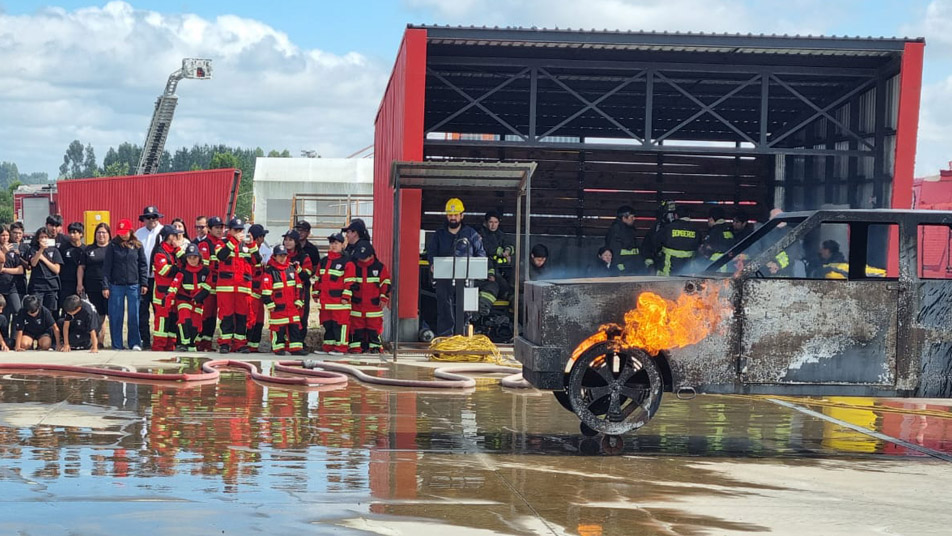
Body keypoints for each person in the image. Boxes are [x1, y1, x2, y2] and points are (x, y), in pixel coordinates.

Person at [425, 198, 486, 337]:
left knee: (466, 307)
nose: (453, 218)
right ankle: (446, 336)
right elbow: (431, 253)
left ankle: (463, 335)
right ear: (447, 216)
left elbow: (481, 254)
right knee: (444, 306)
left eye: (455, 215)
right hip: (444, 277)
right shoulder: (439, 235)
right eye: (450, 215)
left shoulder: (471, 234)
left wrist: (476, 266)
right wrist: (432, 264)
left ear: (461, 216)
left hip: (466, 279)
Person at [103, 218, 148, 351]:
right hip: (116, 285)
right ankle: (117, 344)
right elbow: (107, 267)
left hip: (134, 285)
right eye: (120, 232)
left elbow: (143, 265)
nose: (122, 235)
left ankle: (134, 342)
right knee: (116, 315)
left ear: (130, 230)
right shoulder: (112, 246)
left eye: (125, 232)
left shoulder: (137, 245)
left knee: (134, 315)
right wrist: (105, 286)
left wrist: (144, 283)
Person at [215, 218, 256, 353]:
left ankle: (240, 343)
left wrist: (253, 245)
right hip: (226, 287)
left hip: (242, 287)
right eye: (236, 230)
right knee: (226, 316)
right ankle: (225, 343)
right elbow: (221, 256)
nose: (239, 233)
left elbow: (256, 261)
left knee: (242, 316)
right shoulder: (222, 243)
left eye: (240, 230)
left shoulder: (245, 245)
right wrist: (234, 241)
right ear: (230, 231)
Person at [314, 233, 355, 354]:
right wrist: (316, 294)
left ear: (343, 245)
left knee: (340, 325)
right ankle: (328, 347)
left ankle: (341, 347)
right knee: (328, 325)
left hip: (340, 303)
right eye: (331, 243)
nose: (333, 245)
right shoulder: (324, 261)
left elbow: (350, 281)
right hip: (326, 302)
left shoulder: (347, 262)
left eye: (336, 243)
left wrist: (346, 297)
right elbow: (318, 278)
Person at [261, 244, 305, 356]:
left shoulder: (291, 269)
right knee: (278, 329)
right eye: (280, 255)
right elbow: (266, 290)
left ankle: (296, 348)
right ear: (274, 256)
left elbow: (298, 286)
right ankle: (278, 348)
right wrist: (270, 304)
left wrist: (299, 300)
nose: (282, 258)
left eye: (284, 255)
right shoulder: (270, 271)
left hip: (292, 306)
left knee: (294, 328)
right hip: (278, 307)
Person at [166, 243, 211, 352]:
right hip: (184, 300)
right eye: (190, 257)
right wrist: (169, 297)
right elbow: (174, 285)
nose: (192, 260)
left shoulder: (205, 271)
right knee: (184, 320)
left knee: (196, 325)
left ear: (199, 257)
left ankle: (191, 344)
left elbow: (208, 286)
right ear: (186, 259)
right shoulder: (182, 272)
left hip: (198, 302)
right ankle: (184, 344)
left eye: (194, 257)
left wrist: (199, 297)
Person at [349, 242, 390, 354]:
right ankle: (355, 347)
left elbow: (386, 283)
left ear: (371, 255)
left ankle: (375, 347)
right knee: (356, 328)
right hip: (357, 305)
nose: (361, 260)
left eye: (364, 257)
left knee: (374, 329)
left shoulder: (380, 267)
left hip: (374, 306)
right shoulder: (354, 266)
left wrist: (383, 298)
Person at [151, 225, 185, 351]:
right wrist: (179, 268)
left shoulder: (173, 251)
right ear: (169, 237)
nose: (177, 237)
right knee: (162, 323)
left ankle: (170, 346)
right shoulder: (160, 253)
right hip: (162, 294)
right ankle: (158, 347)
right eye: (175, 235)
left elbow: (186, 262)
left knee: (172, 321)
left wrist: (179, 250)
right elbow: (166, 271)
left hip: (173, 293)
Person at [135, 205, 163, 349]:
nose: (151, 220)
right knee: (142, 311)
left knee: (160, 311)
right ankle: (145, 341)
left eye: (154, 217)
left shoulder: (164, 232)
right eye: (148, 217)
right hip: (143, 278)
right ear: (143, 219)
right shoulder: (138, 234)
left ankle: (160, 341)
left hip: (160, 278)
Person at [195, 216, 224, 351]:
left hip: (220, 287)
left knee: (213, 318)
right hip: (208, 287)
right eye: (217, 228)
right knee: (205, 316)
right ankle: (199, 343)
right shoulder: (205, 244)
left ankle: (207, 343)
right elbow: (205, 268)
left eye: (221, 228)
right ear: (210, 229)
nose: (220, 230)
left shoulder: (222, 244)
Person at [77, 222, 109, 336]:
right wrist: (80, 284)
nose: (101, 235)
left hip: (110, 287)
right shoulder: (88, 249)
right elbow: (81, 268)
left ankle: (108, 339)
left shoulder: (112, 249)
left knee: (109, 313)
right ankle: (98, 340)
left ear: (109, 234)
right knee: (98, 314)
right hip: (92, 286)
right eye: (99, 232)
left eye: (104, 232)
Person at [655, 204, 701, 276]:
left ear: (676, 215)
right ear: (688, 216)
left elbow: (656, 242)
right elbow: (700, 247)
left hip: (668, 271)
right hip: (688, 272)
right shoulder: (696, 230)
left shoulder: (668, 228)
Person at [283, 229, 313, 337]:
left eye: (290, 240)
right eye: (285, 239)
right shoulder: (278, 256)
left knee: (301, 317)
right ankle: (285, 342)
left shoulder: (304, 256)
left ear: (296, 242)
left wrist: (297, 269)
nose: (287, 242)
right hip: (284, 292)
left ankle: (299, 341)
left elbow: (307, 275)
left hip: (301, 292)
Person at [294, 220, 321, 337]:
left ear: (308, 233)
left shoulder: (312, 249)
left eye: (303, 230)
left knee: (303, 313)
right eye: (298, 230)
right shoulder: (290, 246)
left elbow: (316, 267)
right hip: (289, 285)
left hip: (304, 284)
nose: (300, 233)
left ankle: (301, 339)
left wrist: (305, 273)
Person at [28, 227, 63, 313]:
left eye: (46, 237)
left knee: (50, 311)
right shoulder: (33, 250)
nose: (43, 239)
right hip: (37, 286)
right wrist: (41, 250)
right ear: (38, 239)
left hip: (51, 286)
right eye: (41, 237)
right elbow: (33, 263)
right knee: (37, 310)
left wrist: (43, 259)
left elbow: (56, 269)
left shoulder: (54, 251)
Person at [247, 223, 270, 352]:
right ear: (259, 238)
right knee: (251, 319)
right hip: (251, 292)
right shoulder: (247, 250)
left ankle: (254, 346)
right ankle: (247, 345)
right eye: (262, 236)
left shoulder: (265, 251)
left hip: (259, 292)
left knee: (259, 320)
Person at [605, 205, 646, 275]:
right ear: (624, 218)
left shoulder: (629, 229)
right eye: (631, 217)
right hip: (623, 267)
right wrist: (619, 265)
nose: (634, 219)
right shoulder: (616, 230)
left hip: (633, 266)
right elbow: (614, 248)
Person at [0, 226, 24, 334]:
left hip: (11, 286)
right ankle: (4, 338)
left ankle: (14, 338)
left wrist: (5, 269)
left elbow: (20, 270)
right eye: (2, 235)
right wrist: (3, 253)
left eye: (7, 235)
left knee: (17, 310)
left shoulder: (13, 249)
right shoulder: (3, 250)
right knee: (3, 314)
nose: (5, 238)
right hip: (1, 286)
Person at [58, 222, 86, 314]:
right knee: (65, 307)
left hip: (80, 284)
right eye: (70, 232)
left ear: (81, 234)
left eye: (74, 232)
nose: (72, 235)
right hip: (65, 283)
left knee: (79, 308)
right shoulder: (63, 248)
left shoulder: (85, 249)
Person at [10, 222, 28, 301]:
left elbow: (29, 266)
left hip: (21, 281)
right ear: (10, 232)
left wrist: (19, 255)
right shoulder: (6, 245)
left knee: (20, 308)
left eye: (19, 233)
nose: (17, 236)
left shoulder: (25, 247)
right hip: (7, 281)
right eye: (15, 233)